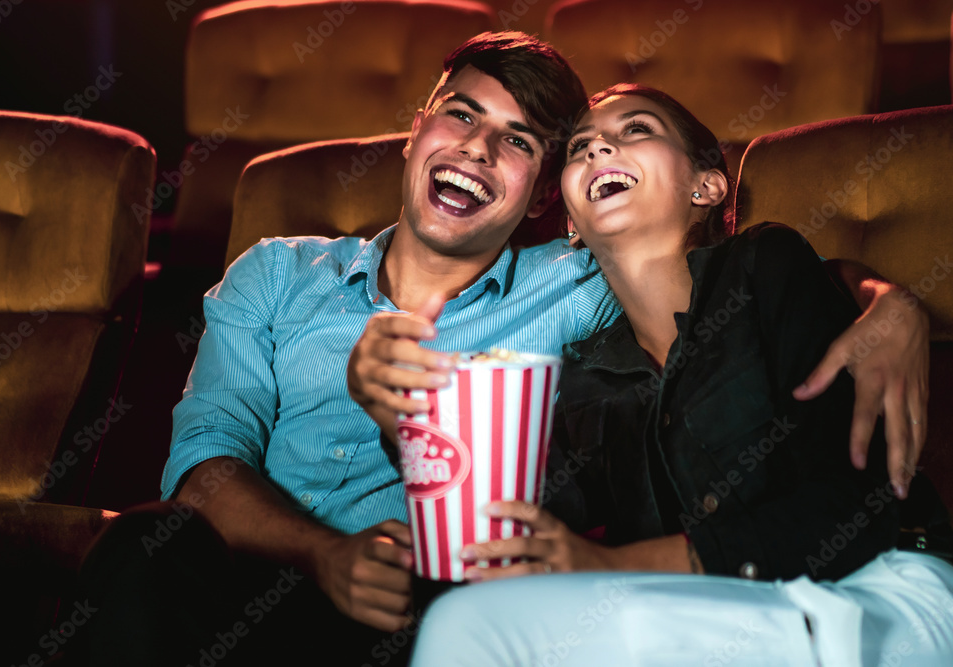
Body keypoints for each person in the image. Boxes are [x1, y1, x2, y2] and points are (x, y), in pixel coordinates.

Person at [77, 31, 929, 666]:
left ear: (538, 199)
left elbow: (732, 275)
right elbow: (204, 460)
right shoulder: (274, 273)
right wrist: (326, 551)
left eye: (520, 142)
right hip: (255, 576)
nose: (479, 149)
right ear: (415, 134)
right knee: (145, 545)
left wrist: (887, 301)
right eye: (462, 115)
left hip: (422, 604)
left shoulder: (582, 282)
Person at [395, 84, 953, 666]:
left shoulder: (766, 264)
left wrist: (612, 566)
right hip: (708, 612)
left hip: (881, 587)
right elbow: (511, 535)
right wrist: (406, 408)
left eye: (635, 130)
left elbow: (852, 503)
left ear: (706, 186)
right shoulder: (584, 378)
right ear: (573, 226)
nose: (597, 150)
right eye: (580, 147)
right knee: (468, 619)